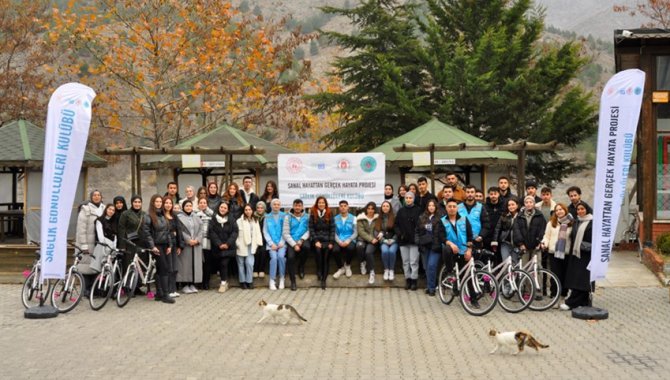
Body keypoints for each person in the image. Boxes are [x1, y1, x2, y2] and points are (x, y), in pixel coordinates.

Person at [435, 198, 476, 306]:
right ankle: (450, 272)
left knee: (468, 276)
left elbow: (470, 237)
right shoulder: (442, 221)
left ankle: (474, 300)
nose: (452, 209)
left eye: (454, 206)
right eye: (450, 207)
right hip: (450, 252)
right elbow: (441, 237)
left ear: (457, 208)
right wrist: (451, 244)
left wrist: (469, 250)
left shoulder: (464, 219)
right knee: (446, 248)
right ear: (446, 208)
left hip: (464, 251)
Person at [142, 195, 175, 303]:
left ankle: (159, 293)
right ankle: (165, 294)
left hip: (165, 245)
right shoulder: (148, 216)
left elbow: (168, 231)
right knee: (164, 268)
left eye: (160, 201)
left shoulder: (163, 215)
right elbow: (146, 233)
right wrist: (152, 247)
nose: (159, 203)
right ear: (152, 202)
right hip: (156, 246)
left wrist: (170, 245)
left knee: (161, 269)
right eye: (156, 201)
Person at [560, 201, 593, 310]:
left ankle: (571, 302)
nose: (580, 211)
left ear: (587, 209)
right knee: (577, 279)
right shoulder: (577, 221)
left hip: (586, 254)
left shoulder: (592, 222)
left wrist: (584, 245)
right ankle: (583, 302)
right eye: (578, 209)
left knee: (582, 280)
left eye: (582, 209)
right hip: (576, 253)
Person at [540, 203, 573, 305]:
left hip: (566, 254)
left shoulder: (572, 223)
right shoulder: (551, 223)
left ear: (565, 210)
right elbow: (547, 236)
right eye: (557, 210)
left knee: (565, 276)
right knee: (555, 276)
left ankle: (563, 297)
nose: (559, 211)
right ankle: (554, 297)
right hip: (553, 253)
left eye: (561, 209)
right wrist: (544, 243)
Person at [75, 190, 106, 291]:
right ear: (91, 197)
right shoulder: (85, 209)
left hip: (99, 243)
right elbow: (81, 228)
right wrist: (84, 244)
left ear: (101, 197)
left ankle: (95, 289)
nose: (97, 197)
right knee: (86, 266)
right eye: (94, 195)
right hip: (88, 242)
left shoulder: (104, 208)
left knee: (97, 266)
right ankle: (86, 290)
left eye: (98, 195)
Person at [209, 202, 238, 293]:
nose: (223, 209)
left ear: (228, 209)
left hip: (229, 247)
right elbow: (211, 232)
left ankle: (223, 283)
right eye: (221, 207)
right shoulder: (213, 219)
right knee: (220, 264)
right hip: (217, 247)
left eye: (225, 208)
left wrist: (227, 244)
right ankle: (224, 281)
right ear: (219, 208)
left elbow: (235, 232)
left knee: (224, 263)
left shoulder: (232, 219)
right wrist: (219, 244)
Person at [395, 191, 422, 290]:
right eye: (406, 198)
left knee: (413, 262)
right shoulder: (401, 211)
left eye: (410, 198)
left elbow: (420, 225)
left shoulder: (418, 210)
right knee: (405, 262)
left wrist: (417, 236)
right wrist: (399, 234)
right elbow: (396, 225)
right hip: (403, 240)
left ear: (413, 199)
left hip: (414, 241)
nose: (408, 200)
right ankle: (408, 280)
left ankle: (414, 280)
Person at [118, 195, 146, 287]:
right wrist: (122, 245)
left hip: (141, 244)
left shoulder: (144, 214)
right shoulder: (125, 214)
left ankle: (137, 287)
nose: (137, 204)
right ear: (132, 203)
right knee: (129, 265)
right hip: (129, 243)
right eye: (135, 202)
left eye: (139, 202)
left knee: (139, 265)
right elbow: (121, 229)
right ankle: (128, 287)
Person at [176, 200, 203, 294]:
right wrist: (188, 240)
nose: (188, 207)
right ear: (183, 207)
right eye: (186, 206)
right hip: (186, 245)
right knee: (185, 265)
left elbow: (201, 229)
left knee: (194, 264)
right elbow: (180, 231)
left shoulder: (196, 217)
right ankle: (185, 285)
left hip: (195, 245)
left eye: (190, 206)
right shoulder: (179, 217)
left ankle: (192, 284)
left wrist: (197, 240)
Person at [283, 199, 310, 291]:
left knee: (307, 247)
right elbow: (285, 233)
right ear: (293, 206)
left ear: (302, 207)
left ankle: (301, 266)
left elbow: (309, 230)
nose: (297, 207)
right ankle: (293, 282)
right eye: (296, 205)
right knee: (290, 258)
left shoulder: (307, 217)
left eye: (299, 206)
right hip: (292, 241)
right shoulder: (288, 217)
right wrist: (294, 244)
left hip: (303, 239)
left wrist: (302, 239)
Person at [309, 196, 335, 289]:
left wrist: (331, 242)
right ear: (317, 204)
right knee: (318, 252)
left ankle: (324, 280)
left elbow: (332, 228)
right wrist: (315, 241)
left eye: (323, 203)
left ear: (325, 204)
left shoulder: (329, 212)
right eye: (319, 203)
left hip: (327, 240)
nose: (321, 204)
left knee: (326, 257)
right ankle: (319, 270)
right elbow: (311, 228)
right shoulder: (313, 213)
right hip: (317, 240)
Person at [514, 195, 547, 266]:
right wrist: (521, 243)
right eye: (526, 202)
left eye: (531, 202)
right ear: (524, 204)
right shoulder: (519, 216)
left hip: (536, 245)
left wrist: (539, 241)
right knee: (524, 266)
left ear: (534, 203)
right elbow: (516, 230)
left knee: (537, 266)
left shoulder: (540, 215)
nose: (529, 204)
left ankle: (537, 278)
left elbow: (543, 229)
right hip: (524, 246)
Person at [416, 199, 440, 295]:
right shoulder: (422, 217)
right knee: (426, 267)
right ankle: (429, 286)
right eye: (429, 205)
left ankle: (432, 287)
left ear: (436, 207)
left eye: (433, 205)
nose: (431, 207)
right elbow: (417, 231)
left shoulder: (440, 218)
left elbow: (442, 233)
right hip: (424, 246)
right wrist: (418, 242)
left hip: (435, 246)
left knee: (432, 266)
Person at [236, 203, 263, 289]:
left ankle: (249, 281)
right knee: (241, 264)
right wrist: (237, 244)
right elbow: (236, 234)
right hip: (241, 244)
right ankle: (242, 281)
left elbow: (258, 232)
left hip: (251, 245)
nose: (248, 211)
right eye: (246, 210)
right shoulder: (239, 221)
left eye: (249, 210)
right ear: (244, 211)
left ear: (252, 210)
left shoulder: (255, 220)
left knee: (249, 263)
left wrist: (258, 243)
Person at [263, 199, 286, 290]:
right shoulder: (267, 217)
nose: (276, 206)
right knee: (274, 258)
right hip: (271, 244)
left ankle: (282, 278)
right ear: (271, 206)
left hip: (281, 243)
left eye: (278, 204)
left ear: (280, 206)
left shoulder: (284, 216)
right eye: (274, 204)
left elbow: (285, 230)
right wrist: (271, 243)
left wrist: (282, 242)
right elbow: (265, 231)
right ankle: (272, 280)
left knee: (281, 257)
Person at [491, 197, 521, 265]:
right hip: (505, 243)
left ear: (517, 205)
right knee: (506, 262)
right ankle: (506, 275)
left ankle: (514, 276)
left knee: (515, 263)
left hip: (516, 244)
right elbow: (497, 228)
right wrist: (494, 241)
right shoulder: (504, 216)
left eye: (513, 204)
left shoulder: (521, 216)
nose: (511, 207)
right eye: (509, 205)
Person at [457, 185, 490, 249]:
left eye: (472, 192)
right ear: (465, 193)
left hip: (476, 240)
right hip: (462, 240)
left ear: (475, 193)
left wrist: (481, 236)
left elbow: (486, 224)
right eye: (468, 192)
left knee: (476, 259)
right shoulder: (458, 207)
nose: (470, 194)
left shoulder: (481, 207)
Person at [332, 200, 358, 279]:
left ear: (348, 207)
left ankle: (347, 265)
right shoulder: (335, 219)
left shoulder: (353, 218)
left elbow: (356, 232)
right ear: (339, 208)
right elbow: (334, 232)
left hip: (350, 239)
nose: (343, 208)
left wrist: (348, 240)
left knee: (351, 248)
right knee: (335, 250)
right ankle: (341, 268)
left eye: (345, 206)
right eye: (341, 206)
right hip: (339, 239)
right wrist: (339, 241)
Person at [163, 197, 182, 298]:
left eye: (170, 203)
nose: (168, 205)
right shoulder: (161, 216)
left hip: (174, 244)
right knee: (169, 268)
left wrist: (179, 245)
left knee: (174, 267)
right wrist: (171, 233)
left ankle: (173, 289)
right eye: (166, 203)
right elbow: (164, 231)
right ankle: (168, 290)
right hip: (166, 245)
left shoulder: (174, 216)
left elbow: (178, 231)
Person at [356, 201, 379, 285]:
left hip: (373, 240)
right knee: (359, 246)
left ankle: (372, 272)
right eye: (368, 208)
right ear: (366, 209)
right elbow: (361, 231)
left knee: (368, 252)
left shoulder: (377, 218)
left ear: (375, 210)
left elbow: (377, 229)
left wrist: (374, 239)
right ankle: (362, 263)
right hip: (363, 239)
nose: (370, 210)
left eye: (372, 209)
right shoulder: (361, 218)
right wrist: (370, 239)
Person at [195, 197, 214, 290]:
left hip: (208, 242)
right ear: (198, 204)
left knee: (207, 263)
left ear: (207, 204)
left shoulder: (211, 214)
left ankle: (206, 282)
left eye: (204, 203)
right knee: (199, 264)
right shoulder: (194, 214)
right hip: (198, 242)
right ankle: (199, 282)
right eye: (201, 203)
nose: (202, 204)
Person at [377, 200, 398, 281]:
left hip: (394, 240)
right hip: (384, 241)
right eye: (384, 206)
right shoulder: (379, 218)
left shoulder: (395, 217)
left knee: (392, 251)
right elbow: (376, 231)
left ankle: (391, 270)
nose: (385, 208)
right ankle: (386, 270)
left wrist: (394, 239)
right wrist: (383, 240)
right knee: (385, 251)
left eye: (387, 206)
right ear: (381, 208)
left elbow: (398, 230)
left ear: (390, 208)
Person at [484, 187, 505, 263]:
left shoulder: (504, 205)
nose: (493, 196)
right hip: (487, 236)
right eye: (491, 194)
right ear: (488, 195)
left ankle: (499, 274)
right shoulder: (484, 206)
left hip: (500, 236)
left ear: (498, 194)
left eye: (495, 194)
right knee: (488, 259)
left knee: (500, 258)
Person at [253, 201, 268, 279]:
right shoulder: (253, 216)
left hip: (264, 239)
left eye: (261, 208)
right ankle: (255, 270)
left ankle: (261, 270)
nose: (259, 209)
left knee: (263, 251)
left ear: (264, 209)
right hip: (254, 239)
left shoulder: (267, 217)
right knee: (256, 251)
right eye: (258, 208)